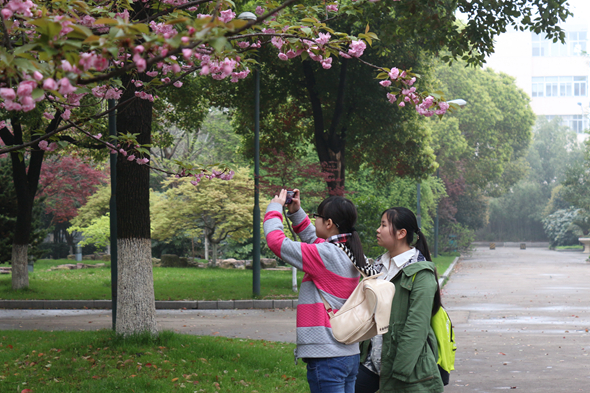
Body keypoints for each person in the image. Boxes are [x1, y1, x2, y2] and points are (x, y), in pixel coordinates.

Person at [264, 189, 367, 393]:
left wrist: (274, 208)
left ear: (328, 223)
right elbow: (316, 239)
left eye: (317, 217)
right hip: (349, 355)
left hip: (327, 357)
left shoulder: (325, 255)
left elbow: (276, 242)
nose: (315, 221)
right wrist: (296, 212)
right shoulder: (350, 251)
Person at [355, 207, 444, 393]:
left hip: (403, 370)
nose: (378, 230)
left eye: (383, 225)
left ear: (402, 233)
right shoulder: (377, 267)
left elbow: (417, 325)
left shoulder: (420, 273)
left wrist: (401, 371)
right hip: (370, 362)